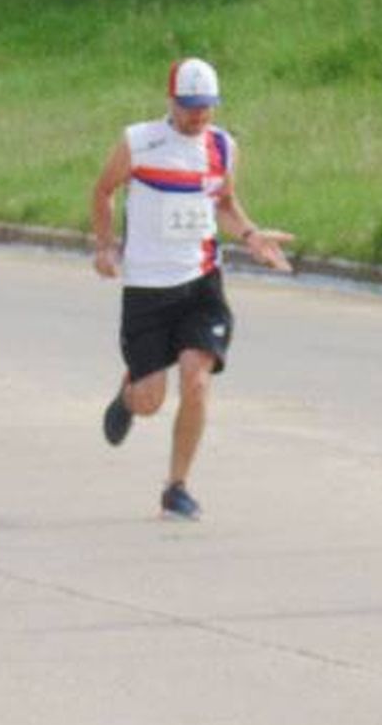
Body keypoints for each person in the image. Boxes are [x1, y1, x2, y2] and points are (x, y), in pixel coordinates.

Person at [91, 58, 293, 520]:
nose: (198, 116)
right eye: (189, 106)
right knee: (150, 401)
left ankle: (176, 486)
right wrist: (104, 247)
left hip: (201, 283)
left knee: (197, 380)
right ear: (171, 102)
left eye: (206, 107)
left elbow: (223, 202)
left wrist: (250, 235)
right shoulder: (139, 142)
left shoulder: (223, 146)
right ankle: (129, 393)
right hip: (146, 288)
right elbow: (102, 191)